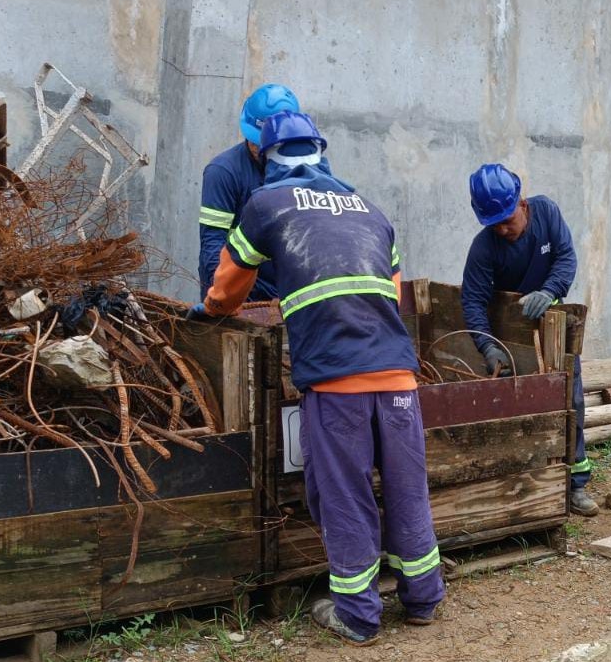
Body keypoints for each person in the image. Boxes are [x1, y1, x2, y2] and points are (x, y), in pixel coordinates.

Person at [190, 111, 445, 645]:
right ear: (321, 153)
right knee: (406, 487)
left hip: (336, 378)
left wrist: (211, 309)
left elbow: (229, 284)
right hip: (398, 376)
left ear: (266, 157)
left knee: (343, 493)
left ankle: (357, 614)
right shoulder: (371, 211)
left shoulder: (266, 205)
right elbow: (392, 296)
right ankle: (423, 597)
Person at [461, 163, 597, 516]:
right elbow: (473, 300)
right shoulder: (484, 248)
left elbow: (566, 257)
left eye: (508, 219)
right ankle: (530, 484)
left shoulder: (548, 213)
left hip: (553, 333)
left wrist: (550, 290)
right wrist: (488, 347)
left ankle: (575, 484)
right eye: (495, 224)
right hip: (511, 341)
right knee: (522, 411)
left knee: (572, 404)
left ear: (522, 203)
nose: (504, 229)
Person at [197, 83, 300, 302]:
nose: (257, 148)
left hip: (284, 296)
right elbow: (213, 243)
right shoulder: (223, 172)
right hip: (238, 293)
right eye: (254, 140)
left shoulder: (301, 172)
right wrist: (221, 300)